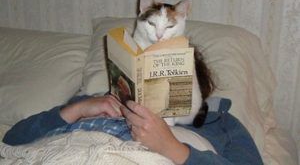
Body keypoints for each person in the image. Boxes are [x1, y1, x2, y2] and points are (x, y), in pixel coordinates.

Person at [3, 93, 264, 165]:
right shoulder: (95, 102)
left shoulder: (220, 123)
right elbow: (12, 141)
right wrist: (78, 109)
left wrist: (173, 149)